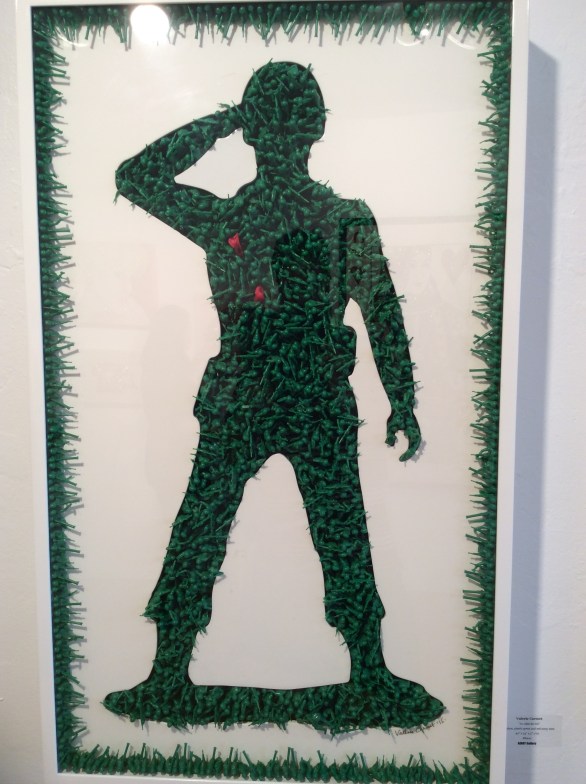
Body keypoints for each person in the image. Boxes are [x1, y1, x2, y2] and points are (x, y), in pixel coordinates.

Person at [105, 61, 444, 729]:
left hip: (262, 395)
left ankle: (173, 672)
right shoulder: (335, 218)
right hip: (296, 395)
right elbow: (382, 313)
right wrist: (401, 398)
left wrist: (228, 120)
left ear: (255, 133)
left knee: (222, 529)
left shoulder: (234, 216)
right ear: (316, 129)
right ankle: (366, 672)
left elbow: (137, 177)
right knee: (321, 531)